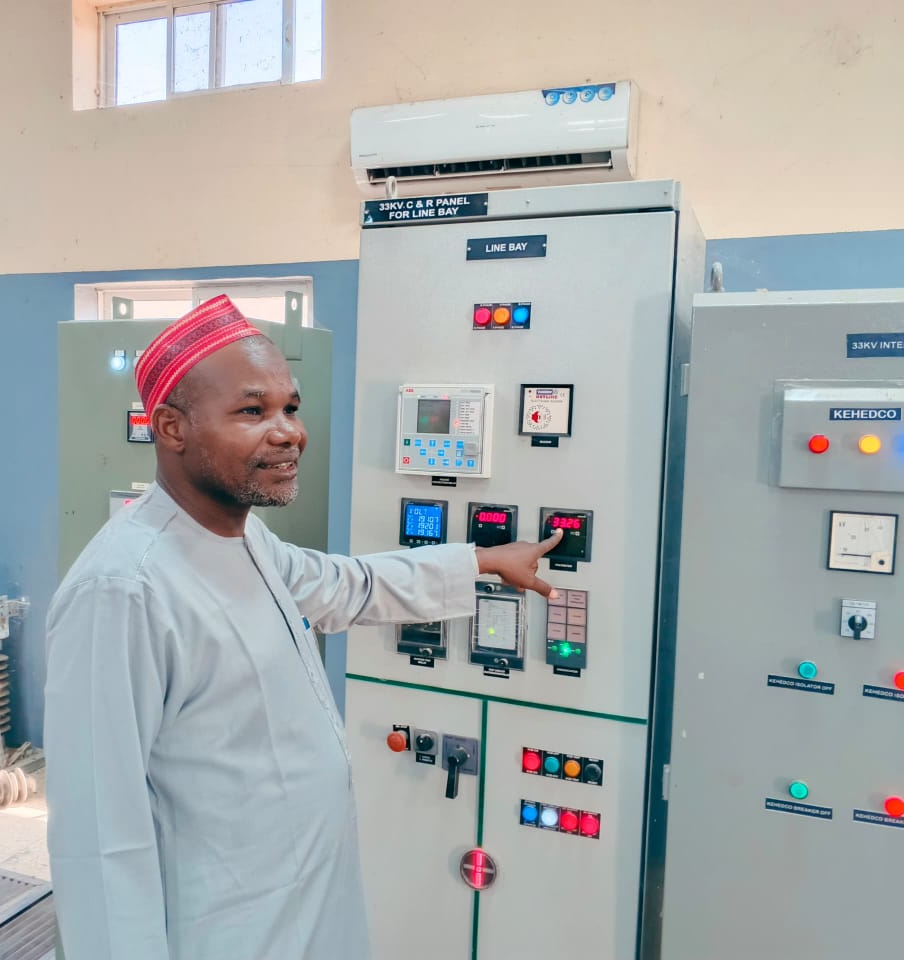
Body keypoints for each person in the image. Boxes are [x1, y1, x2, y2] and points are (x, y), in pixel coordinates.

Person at [44, 295, 563, 960]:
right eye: (252, 411)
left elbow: (346, 585)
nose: (289, 432)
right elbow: (99, 840)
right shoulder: (123, 591)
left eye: (291, 407)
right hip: (219, 929)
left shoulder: (245, 540)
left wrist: (482, 561)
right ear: (171, 428)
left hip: (302, 905)